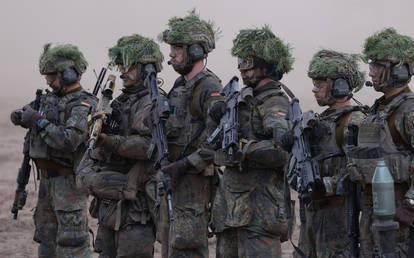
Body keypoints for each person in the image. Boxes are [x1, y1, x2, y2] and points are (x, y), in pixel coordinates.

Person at [353, 27, 414, 257]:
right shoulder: (380, 109)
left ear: (399, 72)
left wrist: (411, 205)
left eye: (377, 67)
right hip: (373, 211)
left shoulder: (410, 110)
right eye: (371, 66)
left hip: (397, 217)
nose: (371, 73)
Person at [76, 34, 163, 257]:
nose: (124, 71)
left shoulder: (153, 101)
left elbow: (148, 147)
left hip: (137, 206)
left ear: (146, 69)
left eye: (130, 66)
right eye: (122, 65)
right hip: (110, 203)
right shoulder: (119, 101)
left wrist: (109, 140)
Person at [210, 25, 294, 257]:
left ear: (265, 67)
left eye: (247, 64)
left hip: (260, 210)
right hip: (232, 208)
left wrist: (243, 147)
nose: (241, 70)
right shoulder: (244, 98)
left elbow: (282, 152)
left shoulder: (274, 102)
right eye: (240, 62)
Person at [10, 43, 96, 257]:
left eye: (52, 76)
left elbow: (70, 140)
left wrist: (39, 122)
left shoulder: (82, 104)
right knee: (46, 243)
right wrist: (20, 115)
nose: (48, 82)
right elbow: (29, 111)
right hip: (47, 184)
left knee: (72, 244)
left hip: (68, 185)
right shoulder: (51, 99)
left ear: (68, 74)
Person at [281, 50, 366, 257]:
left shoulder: (354, 122)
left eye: (320, 84)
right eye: (314, 83)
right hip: (312, 219)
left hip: (340, 222)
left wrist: (324, 185)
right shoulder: (319, 122)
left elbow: (362, 172)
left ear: (340, 86)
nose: (314, 89)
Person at [154, 10, 223, 258]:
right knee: (170, 248)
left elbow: (215, 143)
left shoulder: (209, 87)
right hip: (172, 181)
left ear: (195, 51)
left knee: (187, 249)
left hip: (193, 185)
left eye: (177, 48)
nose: (171, 54)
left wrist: (183, 164)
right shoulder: (178, 85)